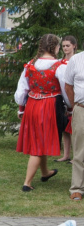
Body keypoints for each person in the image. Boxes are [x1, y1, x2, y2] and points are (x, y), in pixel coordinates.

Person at [15, 34, 67, 192]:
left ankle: (45, 172)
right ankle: (27, 183)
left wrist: (21, 107)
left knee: (40, 140)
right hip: (49, 105)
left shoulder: (31, 64)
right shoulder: (59, 66)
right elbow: (65, 89)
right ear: (55, 47)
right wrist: (69, 107)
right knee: (39, 145)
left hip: (32, 105)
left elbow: (21, 89)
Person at [65, 39, 84, 201]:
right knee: (79, 150)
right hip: (82, 110)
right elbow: (68, 86)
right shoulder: (76, 60)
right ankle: (77, 188)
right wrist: (75, 106)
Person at [55, 35, 78, 163]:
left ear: (74, 46)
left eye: (68, 46)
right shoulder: (59, 63)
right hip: (64, 99)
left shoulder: (78, 61)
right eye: (63, 46)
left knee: (76, 129)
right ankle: (66, 154)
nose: (65, 48)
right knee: (65, 128)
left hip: (76, 99)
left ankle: (77, 156)